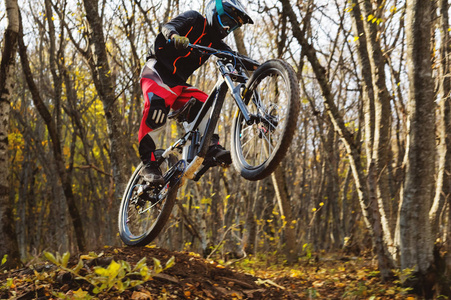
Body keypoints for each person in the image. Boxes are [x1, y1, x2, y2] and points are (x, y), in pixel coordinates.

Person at [138, 0, 254, 185]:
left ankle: (209, 147)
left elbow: (237, 58)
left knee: (205, 101)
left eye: (231, 26)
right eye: (226, 20)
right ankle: (149, 165)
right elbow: (168, 27)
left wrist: (263, 66)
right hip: (157, 70)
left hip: (178, 85)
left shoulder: (216, 43)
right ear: (213, 11)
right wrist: (175, 37)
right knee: (157, 104)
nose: (226, 27)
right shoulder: (193, 18)